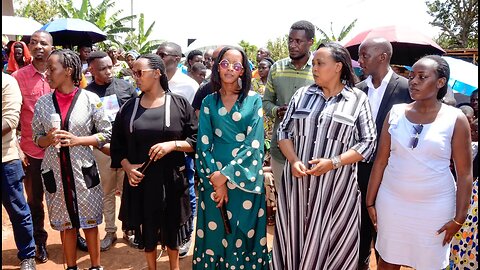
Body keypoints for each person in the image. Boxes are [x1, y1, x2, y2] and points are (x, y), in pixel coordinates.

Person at [271, 42, 376, 269]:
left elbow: (368, 143)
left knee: (332, 246)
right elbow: (284, 131)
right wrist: (294, 160)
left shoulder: (357, 100)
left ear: (338, 67)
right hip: (297, 189)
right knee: (293, 240)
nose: (314, 68)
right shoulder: (302, 95)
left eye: (320, 63)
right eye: (314, 63)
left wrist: (333, 162)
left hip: (335, 191)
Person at [366, 55, 473, 269]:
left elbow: (464, 173)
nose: (413, 81)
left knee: (431, 264)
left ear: (440, 82)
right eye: (412, 76)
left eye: (422, 77)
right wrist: (370, 201)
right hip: (392, 203)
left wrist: (459, 217)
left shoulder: (455, 119)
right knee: (387, 261)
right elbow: (380, 161)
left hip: (435, 207)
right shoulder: (396, 113)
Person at [111, 53, 197, 270]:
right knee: (147, 229)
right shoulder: (129, 108)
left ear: (157, 73)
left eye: (140, 72)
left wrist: (173, 145)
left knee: (172, 228)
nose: (136, 77)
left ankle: (174, 267)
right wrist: (127, 167)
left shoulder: (179, 104)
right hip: (141, 182)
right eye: (133, 73)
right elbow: (117, 145)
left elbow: (196, 140)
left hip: (172, 180)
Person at [31, 49, 112, 270]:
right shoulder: (43, 103)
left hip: (83, 170)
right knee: (66, 225)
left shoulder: (90, 99)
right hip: (55, 173)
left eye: (52, 68)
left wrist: (79, 140)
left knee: (90, 222)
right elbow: (35, 138)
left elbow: (106, 133)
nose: (47, 73)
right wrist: (47, 139)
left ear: (68, 71)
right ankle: (71, 267)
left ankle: (95, 266)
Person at [193, 46, 268, 269]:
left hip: (245, 179)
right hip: (212, 178)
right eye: (225, 63)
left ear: (243, 70)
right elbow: (203, 144)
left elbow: (254, 144)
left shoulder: (254, 100)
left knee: (243, 232)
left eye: (237, 65)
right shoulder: (208, 101)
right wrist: (216, 179)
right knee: (215, 235)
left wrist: (225, 176)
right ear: (217, 67)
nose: (230, 69)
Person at [355, 37, 412, 268]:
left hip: (391, 177)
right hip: (357, 175)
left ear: (383, 57)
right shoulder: (356, 91)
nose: (360, 61)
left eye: (364, 56)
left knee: (386, 239)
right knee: (358, 236)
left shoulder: (408, 89)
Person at [85, 51, 138, 251]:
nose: (108, 71)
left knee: (128, 191)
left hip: (127, 150)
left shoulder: (126, 88)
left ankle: (129, 230)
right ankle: (110, 232)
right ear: (91, 70)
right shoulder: (87, 94)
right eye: (102, 68)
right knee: (106, 191)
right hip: (102, 149)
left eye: (110, 66)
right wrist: (104, 147)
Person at [11, 30, 54, 264]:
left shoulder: (61, 73)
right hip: (32, 151)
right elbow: (14, 114)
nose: (38, 46)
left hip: (60, 149)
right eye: (34, 43)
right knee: (35, 200)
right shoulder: (18, 77)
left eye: (44, 43)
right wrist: (17, 145)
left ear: (51, 48)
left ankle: (74, 234)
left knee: (66, 196)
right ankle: (39, 241)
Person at [262, 19, 315, 209]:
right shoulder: (277, 68)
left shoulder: (319, 69)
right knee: (284, 204)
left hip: (310, 151)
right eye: (290, 40)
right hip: (279, 151)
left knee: (307, 205)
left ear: (310, 42)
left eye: (298, 41)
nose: (292, 45)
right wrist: (277, 111)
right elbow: (266, 101)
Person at [156, 42, 199, 258]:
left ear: (177, 58)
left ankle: (185, 234)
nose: (158, 57)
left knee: (186, 191)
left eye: (162, 54)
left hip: (181, 149)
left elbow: (193, 122)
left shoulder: (189, 86)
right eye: (157, 53)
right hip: (156, 149)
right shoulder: (152, 81)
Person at [2, 73, 37, 270]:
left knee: (17, 209)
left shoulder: (7, 82)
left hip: (5, 159)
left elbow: (10, 120)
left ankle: (27, 255)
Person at [192, 45, 225, 117]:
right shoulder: (204, 89)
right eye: (214, 60)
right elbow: (199, 117)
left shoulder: (244, 88)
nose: (214, 63)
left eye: (221, 59)